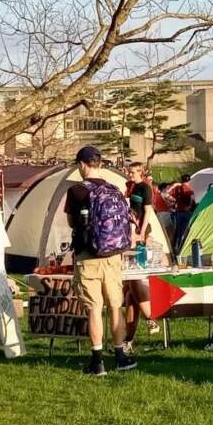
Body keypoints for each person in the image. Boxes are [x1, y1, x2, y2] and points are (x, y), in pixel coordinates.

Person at [64, 146, 136, 376]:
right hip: (113, 255)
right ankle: (121, 356)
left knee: (94, 308)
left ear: (82, 165)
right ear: (100, 164)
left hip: (88, 257)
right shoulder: (114, 189)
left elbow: (71, 223)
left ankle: (97, 361)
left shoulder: (76, 191)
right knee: (115, 306)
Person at [123, 163, 160, 346]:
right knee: (131, 294)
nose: (129, 174)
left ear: (141, 173)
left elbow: (147, 211)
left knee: (134, 279)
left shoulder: (145, 188)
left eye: (132, 172)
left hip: (139, 230)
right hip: (132, 228)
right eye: (129, 172)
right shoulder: (131, 186)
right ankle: (129, 339)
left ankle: (151, 319)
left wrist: (142, 232)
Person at [170, 174, 195, 251]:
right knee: (184, 231)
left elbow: (171, 196)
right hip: (186, 212)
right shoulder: (189, 189)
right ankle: (181, 248)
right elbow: (192, 200)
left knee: (177, 230)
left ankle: (173, 247)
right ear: (189, 180)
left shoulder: (177, 189)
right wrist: (190, 207)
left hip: (178, 212)